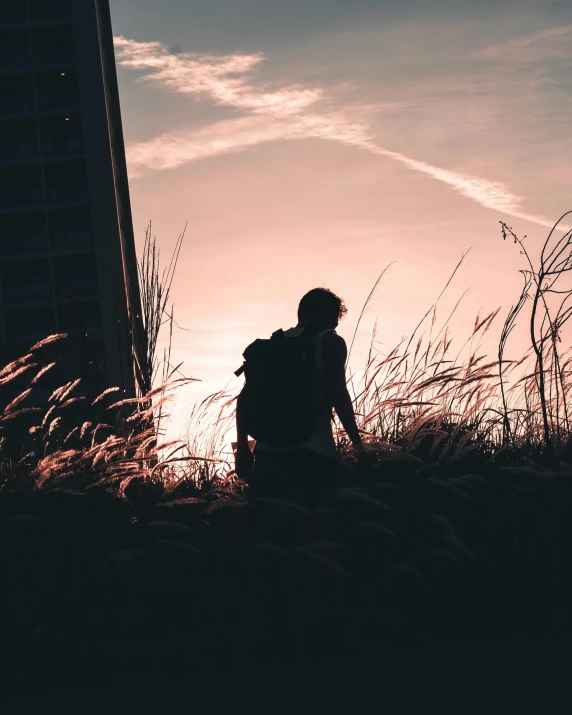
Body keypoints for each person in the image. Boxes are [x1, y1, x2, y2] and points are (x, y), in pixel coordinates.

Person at [234, 287, 367, 489]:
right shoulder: (330, 341)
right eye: (335, 316)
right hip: (313, 453)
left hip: (266, 453)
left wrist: (243, 447)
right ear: (324, 313)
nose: (336, 324)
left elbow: (245, 397)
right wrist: (358, 445)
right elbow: (338, 393)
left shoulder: (274, 343)